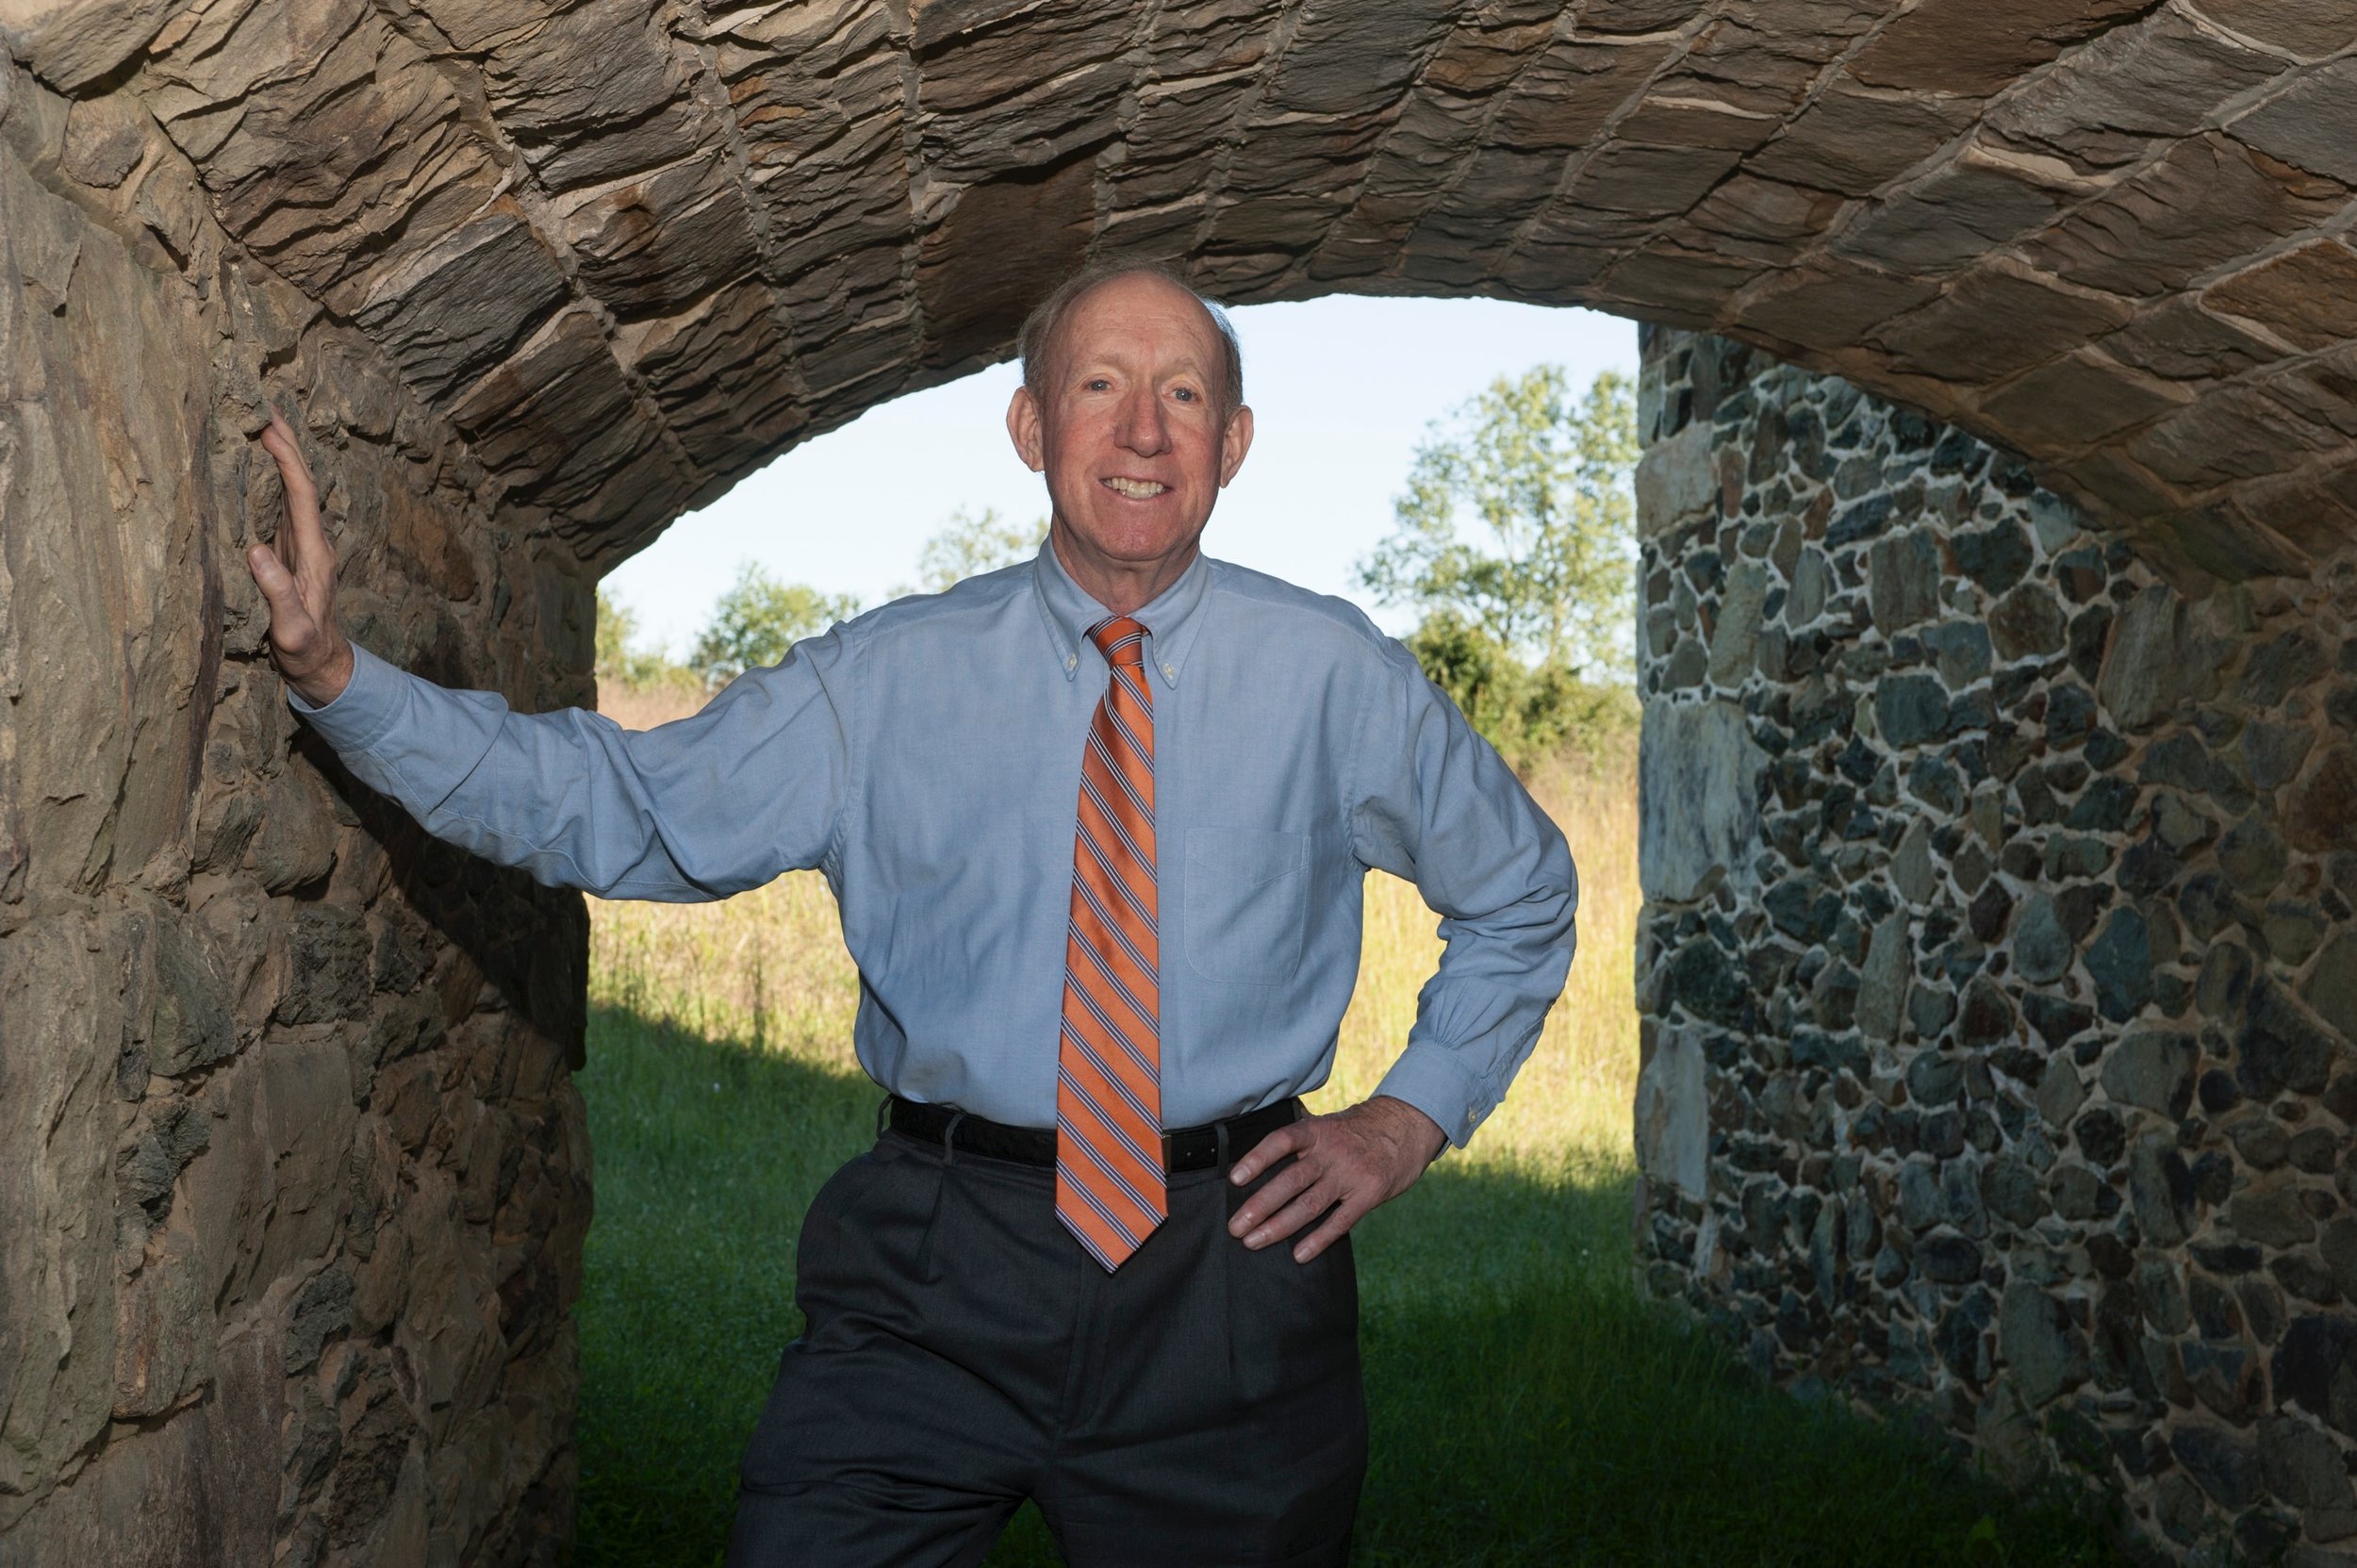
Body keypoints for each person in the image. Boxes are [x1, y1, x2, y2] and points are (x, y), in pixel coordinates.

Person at [246, 261, 1578, 1567]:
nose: (1140, 430)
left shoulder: (1338, 674)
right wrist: (344, 682)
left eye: (1181, 394)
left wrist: (1408, 1121)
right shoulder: (884, 680)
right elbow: (621, 802)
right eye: (1100, 384)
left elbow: (1521, 892)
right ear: (1029, 425)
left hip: (1229, 1277)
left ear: (1230, 444)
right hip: (937, 1264)